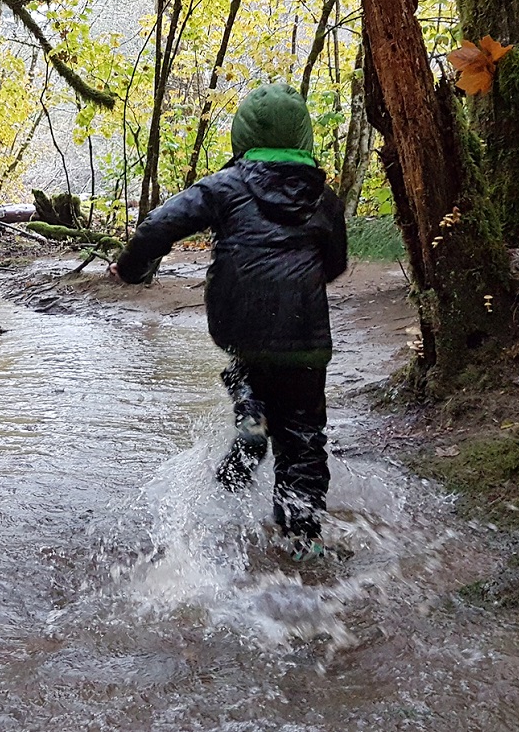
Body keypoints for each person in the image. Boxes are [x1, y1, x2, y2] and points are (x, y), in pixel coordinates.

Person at [111, 84, 347, 559]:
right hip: (304, 331)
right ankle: (301, 539)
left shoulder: (225, 186)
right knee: (302, 436)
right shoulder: (325, 199)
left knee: (247, 363)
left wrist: (131, 270)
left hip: (239, 322)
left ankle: (250, 411)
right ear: (302, 136)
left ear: (241, 135)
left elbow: (158, 225)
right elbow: (336, 264)